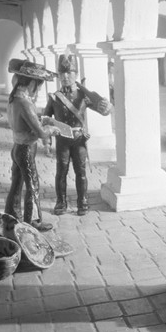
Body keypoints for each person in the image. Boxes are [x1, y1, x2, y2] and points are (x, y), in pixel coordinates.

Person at [43, 53, 112, 216]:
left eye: (70, 73)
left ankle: (83, 202)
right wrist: (48, 136)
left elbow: (104, 111)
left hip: (79, 139)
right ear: (59, 75)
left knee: (81, 172)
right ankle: (61, 202)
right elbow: (46, 120)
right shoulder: (54, 97)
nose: (66, 77)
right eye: (62, 73)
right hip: (62, 140)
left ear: (76, 74)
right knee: (61, 172)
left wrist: (104, 104)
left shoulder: (83, 96)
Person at [4, 59, 60, 231]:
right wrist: (51, 128)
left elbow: (27, 123)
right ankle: (32, 221)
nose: (39, 89)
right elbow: (41, 133)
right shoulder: (25, 103)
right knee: (33, 186)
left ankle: (11, 216)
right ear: (32, 83)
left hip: (17, 147)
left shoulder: (14, 98)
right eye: (39, 85)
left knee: (16, 184)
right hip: (26, 149)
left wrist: (42, 121)